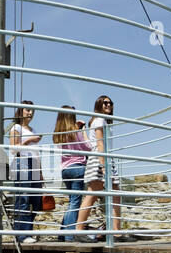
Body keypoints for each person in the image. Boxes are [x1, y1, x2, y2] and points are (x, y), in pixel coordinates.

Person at [75, 95, 124, 239]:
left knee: (115, 195)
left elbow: (89, 142)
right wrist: (104, 165)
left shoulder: (100, 120)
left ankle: (116, 232)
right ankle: (78, 230)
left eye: (110, 103)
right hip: (100, 159)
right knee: (92, 194)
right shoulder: (99, 119)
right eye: (105, 103)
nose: (108, 105)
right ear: (99, 105)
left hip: (104, 158)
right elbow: (100, 143)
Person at [53, 105, 93, 238]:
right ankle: (70, 236)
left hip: (65, 170)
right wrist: (84, 131)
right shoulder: (76, 132)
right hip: (77, 167)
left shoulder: (59, 133)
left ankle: (62, 235)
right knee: (75, 202)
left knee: (72, 202)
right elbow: (88, 147)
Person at [9, 100, 43, 243]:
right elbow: (13, 148)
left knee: (35, 201)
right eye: (27, 110)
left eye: (31, 110)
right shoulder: (16, 127)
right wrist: (29, 141)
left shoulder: (32, 129)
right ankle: (21, 234)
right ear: (20, 112)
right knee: (23, 199)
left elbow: (36, 153)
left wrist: (41, 172)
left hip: (34, 165)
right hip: (22, 163)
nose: (30, 112)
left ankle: (27, 231)